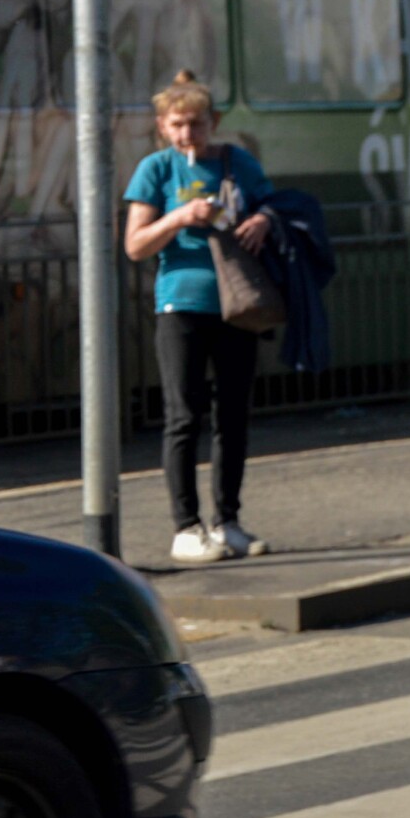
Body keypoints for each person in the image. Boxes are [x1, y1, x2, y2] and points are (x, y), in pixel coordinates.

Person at [123, 70, 274, 564]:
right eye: (178, 124)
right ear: (163, 127)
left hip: (238, 304)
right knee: (184, 417)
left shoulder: (237, 162)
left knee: (233, 416)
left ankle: (227, 520)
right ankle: (185, 527)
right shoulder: (157, 170)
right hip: (180, 304)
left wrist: (262, 218)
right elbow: (135, 245)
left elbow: (274, 203)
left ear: (214, 123)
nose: (188, 133)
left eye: (197, 123)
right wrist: (179, 218)